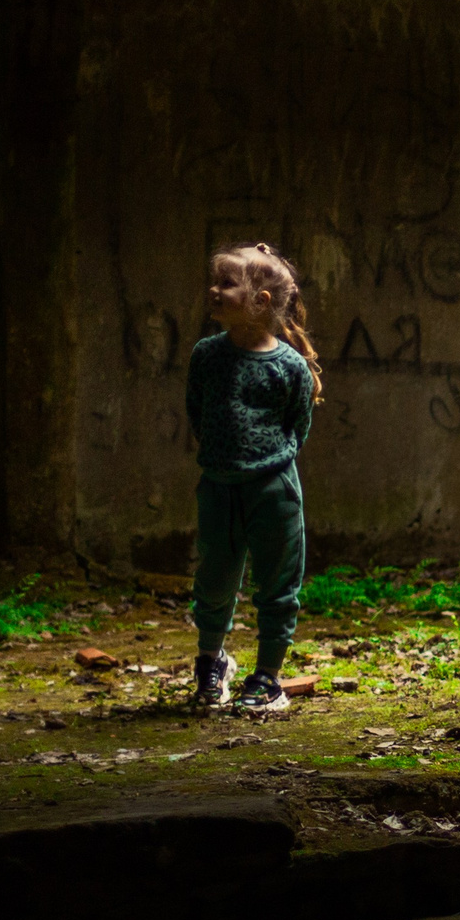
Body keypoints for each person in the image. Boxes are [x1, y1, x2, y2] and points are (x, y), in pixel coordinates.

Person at [185, 242, 322, 713]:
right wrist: (223, 459)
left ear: (260, 301)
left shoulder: (289, 367)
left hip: (273, 492)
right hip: (218, 488)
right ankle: (211, 662)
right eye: (215, 280)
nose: (213, 290)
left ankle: (267, 678)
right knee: (214, 581)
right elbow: (197, 411)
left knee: (277, 585)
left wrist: (267, 464)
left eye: (226, 283)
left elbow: (298, 425)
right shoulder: (207, 355)